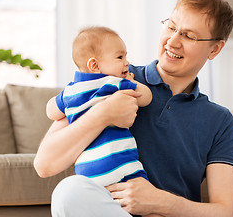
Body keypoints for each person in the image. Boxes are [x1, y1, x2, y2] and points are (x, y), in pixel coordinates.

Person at [34, 0, 233, 217]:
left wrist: (159, 202)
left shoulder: (219, 120)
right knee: (69, 192)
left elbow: (225, 211)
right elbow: (45, 165)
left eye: (189, 35)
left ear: (215, 48)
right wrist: (104, 113)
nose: (173, 41)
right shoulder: (113, 81)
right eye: (171, 26)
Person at [45, 26, 152, 187]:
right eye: (120, 57)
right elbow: (146, 97)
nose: (127, 62)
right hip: (122, 165)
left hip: (89, 175)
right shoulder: (112, 82)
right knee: (145, 200)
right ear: (94, 65)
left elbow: (51, 111)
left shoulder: (70, 92)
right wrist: (133, 82)